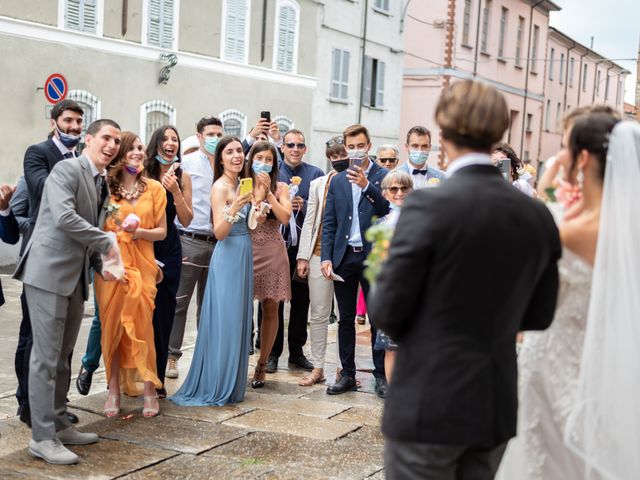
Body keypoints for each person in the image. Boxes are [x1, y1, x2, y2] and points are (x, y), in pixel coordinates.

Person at [368, 80, 561, 480]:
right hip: (494, 399)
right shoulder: (535, 215)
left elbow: (387, 308)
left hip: (429, 399)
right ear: (499, 132)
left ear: (442, 133)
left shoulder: (426, 206)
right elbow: (540, 315)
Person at [496, 113, 621, 479]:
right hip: (600, 355)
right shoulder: (619, 220)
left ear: (582, 158)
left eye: (566, 146)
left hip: (553, 358)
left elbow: (531, 244)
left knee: (549, 458)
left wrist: (549, 177)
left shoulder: (573, 231)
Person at [13, 119, 122, 465]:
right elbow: (63, 217)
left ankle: (59, 422)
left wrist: (102, 265)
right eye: (106, 138)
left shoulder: (100, 179)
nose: (112, 145)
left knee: (63, 356)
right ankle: (41, 437)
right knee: (44, 357)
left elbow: (87, 229)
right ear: (88, 139)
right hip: (47, 272)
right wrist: (107, 243)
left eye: (117, 140)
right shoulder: (66, 169)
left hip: (75, 276)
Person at [565, 119, 640, 479]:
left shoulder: (568, 233)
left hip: (561, 365)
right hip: (620, 359)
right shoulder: (629, 230)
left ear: (581, 159)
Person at [170, 136, 254, 406]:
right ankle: (217, 382)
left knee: (239, 318)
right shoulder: (220, 187)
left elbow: (248, 226)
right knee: (225, 320)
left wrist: (257, 212)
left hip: (244, 251)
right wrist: (239, 205)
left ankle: (233, 380)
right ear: (220, 159)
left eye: (239, 151)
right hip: (228, 255)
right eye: (229, 152)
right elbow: (219, 232)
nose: (236, 156)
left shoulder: (241, 183)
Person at [17, 99, 85, 427]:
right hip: (43, 256)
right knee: (34, 337)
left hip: (74, 258)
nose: (74, 127)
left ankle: (56, 404)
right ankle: (27, 403)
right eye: (68, 120)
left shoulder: (82, 156)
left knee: (64, 342)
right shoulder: (37, 153)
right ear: (55, 122)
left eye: (78, 122)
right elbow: (43, 189)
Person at [95, 131, 168, 418]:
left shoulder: (155, 189)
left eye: (141, 148)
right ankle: (112, 390)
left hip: (144, 266)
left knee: (143, 327)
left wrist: (137, 231)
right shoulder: (106, 189)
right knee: (112, 327)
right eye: (132, 149)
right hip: (113, 268)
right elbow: (98, 229)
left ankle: (150, 389)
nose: (138, 152)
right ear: (120, 154)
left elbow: (161, 232)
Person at [321, 124, 390, 398]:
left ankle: (381, 375)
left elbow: (387, 209)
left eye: (361, 145)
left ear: (369, 145)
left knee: (377, 318)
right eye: (351, 146)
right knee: (346, 319)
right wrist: (326, 256)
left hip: (374, 257)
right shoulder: (337, 179)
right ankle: (347, 374)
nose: (356, 150)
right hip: (344, 256)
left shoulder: (383, 175)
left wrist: (368, 187)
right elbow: (330, 221)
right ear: (346, 149)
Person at [166, 117, 221, 379]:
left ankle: (205, 355)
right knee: (180, 301)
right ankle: (171, 356)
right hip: (189, 237)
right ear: (199, 137)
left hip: (219, 241)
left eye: (219, 134)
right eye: (211, 133)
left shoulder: (226, 165)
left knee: (209, 303)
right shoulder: (186, 164)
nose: (215, 138)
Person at [266, 128, 323, 373]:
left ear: (305, 148)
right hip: (275, 245)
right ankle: (271, 352)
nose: (295, 149)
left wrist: (306, 204)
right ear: (282, 147)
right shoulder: (272, 172)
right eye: (290, 145)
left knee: (301, 301)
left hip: (302, 247)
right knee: (272, 300)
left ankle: (297, 351)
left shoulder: (316, 174)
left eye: (300, 145)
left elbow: (323, 208)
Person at [296, 136, 349, 386]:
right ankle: (318, 367)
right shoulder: (318, 183)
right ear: (329, 158)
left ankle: (343, 368)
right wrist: (303, 256)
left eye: (342, 154)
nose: (339, 159)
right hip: (318, 254)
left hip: (347, 255)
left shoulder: (357, 181)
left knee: (346, 315)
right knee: (318, 313)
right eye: (334, 156)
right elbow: (310, 221)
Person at [146, 125, 193, 396]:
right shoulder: (143, 171)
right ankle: (134, 374)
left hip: (170, 248)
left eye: (175, 139)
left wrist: (175, 191)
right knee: (142, 314)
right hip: (144, 243)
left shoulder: (182, 176)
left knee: (164, 315)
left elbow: (187, 219)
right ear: (156, 144)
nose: (170, 143)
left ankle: (157, 378)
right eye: (165, 138)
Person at [247, 141, 292, 388]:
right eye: (259, 158)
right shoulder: (241, 184)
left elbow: (285, 217)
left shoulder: (281, 187)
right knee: (241, 307)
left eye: (268, 159)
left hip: (273, 248)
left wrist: (269, 193)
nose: (263, 163)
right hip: (246, 248)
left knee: (270, 308)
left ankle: (263, 363)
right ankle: (238, 359)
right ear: (250, 159)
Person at [372, 169, 413, 384]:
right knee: (392, 348)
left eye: (404, 188)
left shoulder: (423, 221)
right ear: (385, 193)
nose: (399, 193)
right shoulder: (381, 225)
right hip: (392, 292)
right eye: (394, 189)